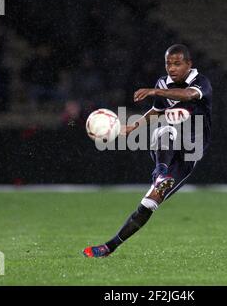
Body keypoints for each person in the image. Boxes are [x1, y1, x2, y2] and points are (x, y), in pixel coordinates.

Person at [83, 44, 212, 258]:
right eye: (168, 63)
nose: (172, 68)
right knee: (163, 130)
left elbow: (189, 95)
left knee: (149, 203)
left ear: (189, 65)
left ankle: (162, 177)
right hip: (169, 141)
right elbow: (158, 110)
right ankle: (109, 247)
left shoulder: (201, 82)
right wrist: (134, 126)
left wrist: (155, 91)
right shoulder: (163, 83)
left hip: (193, 149)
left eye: (177, 64)